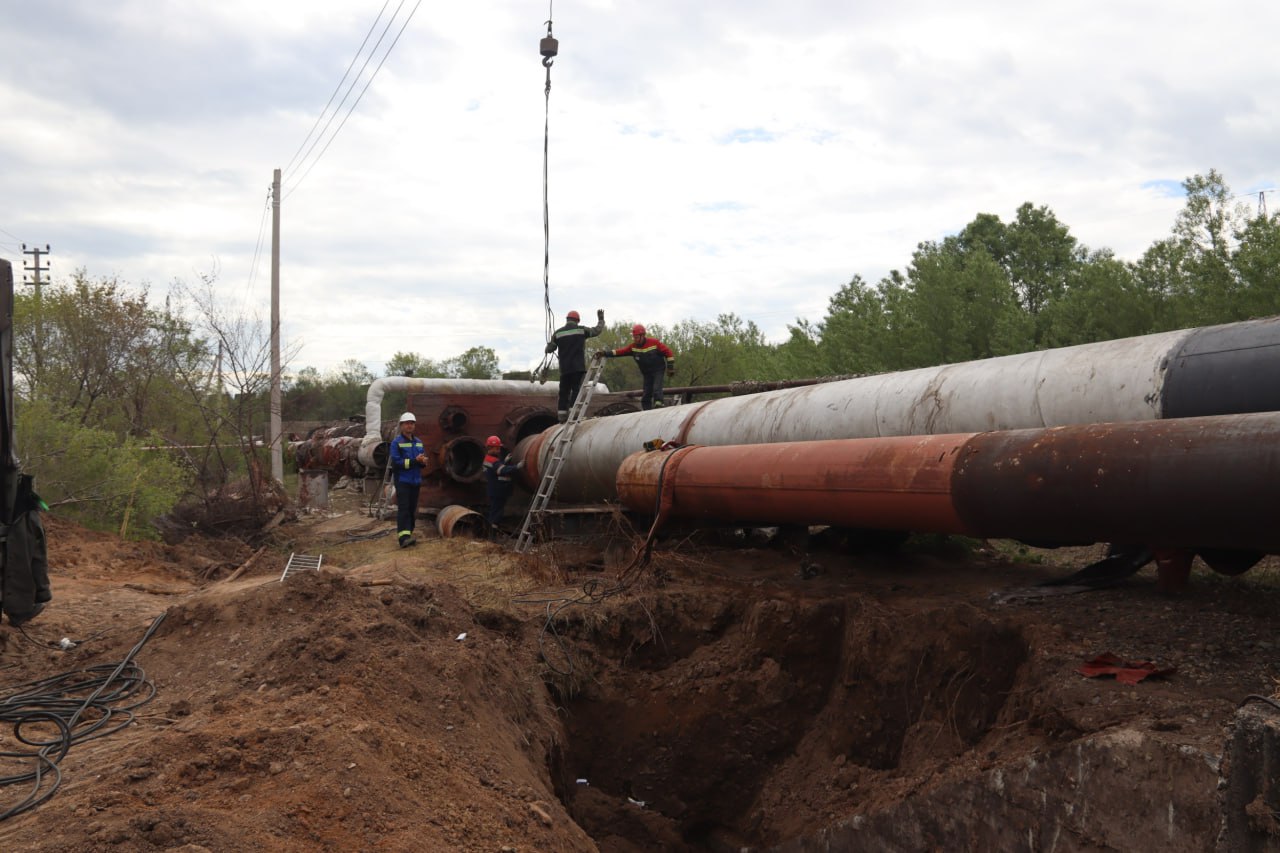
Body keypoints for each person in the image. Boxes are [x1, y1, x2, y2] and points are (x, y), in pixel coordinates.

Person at [545, 308, 605, 423]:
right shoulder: (581, 330)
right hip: (578, 368)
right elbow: (597, 331)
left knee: (564, 392)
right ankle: (574, 414)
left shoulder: (557, 333)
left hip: (564, 369)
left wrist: (549, 344)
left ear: (567, 320)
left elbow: (549, 350)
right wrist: (601, 319)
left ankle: (562, 416)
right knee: (576, 390)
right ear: (577, 320)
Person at [599, 324, 676, 410]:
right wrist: (605, 353)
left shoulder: (654, 343)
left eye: (637, 337)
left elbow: (668, 352)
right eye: (634, 337)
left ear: (643, 336)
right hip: (647, 373)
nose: (635, 339)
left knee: (656, 389)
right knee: (646, 393)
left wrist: (670, 367)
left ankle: (659, 405)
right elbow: (620, 352)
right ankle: (646, 411)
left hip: (658, 370)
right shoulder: (633, 347)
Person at [389, 412, 428, 548]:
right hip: (403, 481)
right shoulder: (396, 443)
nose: (409, 426)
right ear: (401, 426)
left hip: (415, 481)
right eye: (407, 423)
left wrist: (423, 462)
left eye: (412, 423)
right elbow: (397, 463)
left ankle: (409, 533)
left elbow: (421, 462)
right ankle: (403, 538)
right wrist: (414, 461)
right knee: (404, 509)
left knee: (412, 509)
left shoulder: (418, 443)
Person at [482, 435, 524, 533]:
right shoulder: (493, 461)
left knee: (495, 511)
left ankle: (491, 532)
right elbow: (502, 470)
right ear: (489, 448)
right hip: (498, 491)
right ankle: (492, 535)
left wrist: (504, 462)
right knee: (496, 513)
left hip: (495, 490)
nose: (498, 451)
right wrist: (517, 467)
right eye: (496, 449)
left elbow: (496, 468)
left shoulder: (488, 459)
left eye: (499, 448)